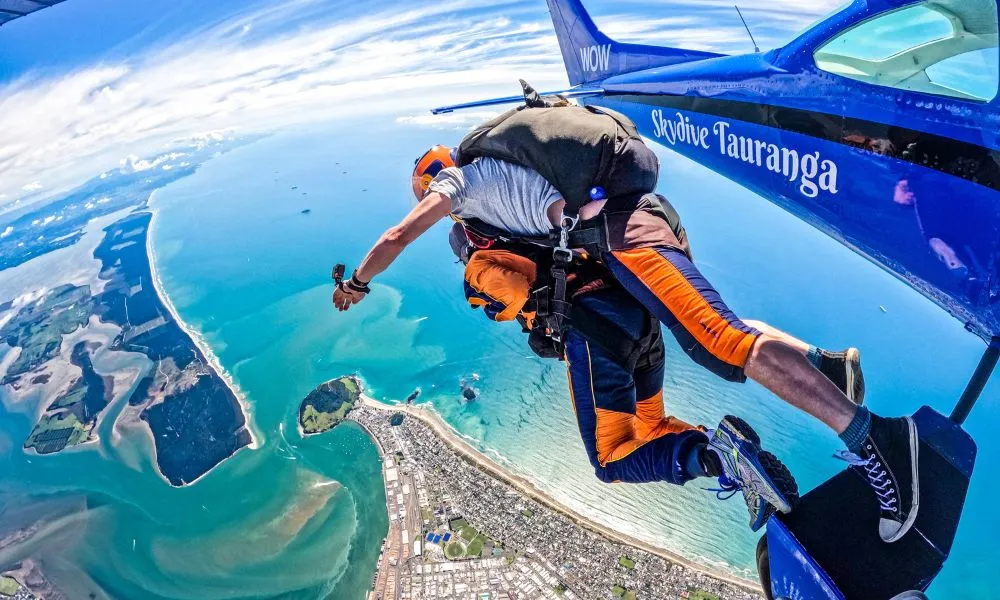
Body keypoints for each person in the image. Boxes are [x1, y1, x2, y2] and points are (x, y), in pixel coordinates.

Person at [335, 138, 920, 544]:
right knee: (682, 380)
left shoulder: (464, 193)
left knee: (620, 450)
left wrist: (359, 282)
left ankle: (743, 456)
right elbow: (565, 219)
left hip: (599, 318)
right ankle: (807, 380)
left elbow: (411, 243)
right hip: (632, 301)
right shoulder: (523, 179)